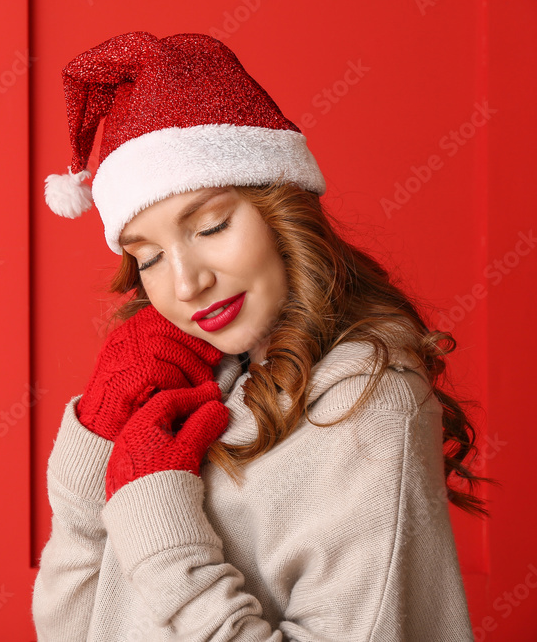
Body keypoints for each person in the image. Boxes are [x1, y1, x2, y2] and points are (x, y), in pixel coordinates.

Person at [31, 31, 494, 641]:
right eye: (149, 258)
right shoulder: (195, 382)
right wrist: (95, 439)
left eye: (212, 225)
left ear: (283, 209)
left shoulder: (369, 402)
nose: (187, 283)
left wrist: (158, 525)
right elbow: (68, 631)